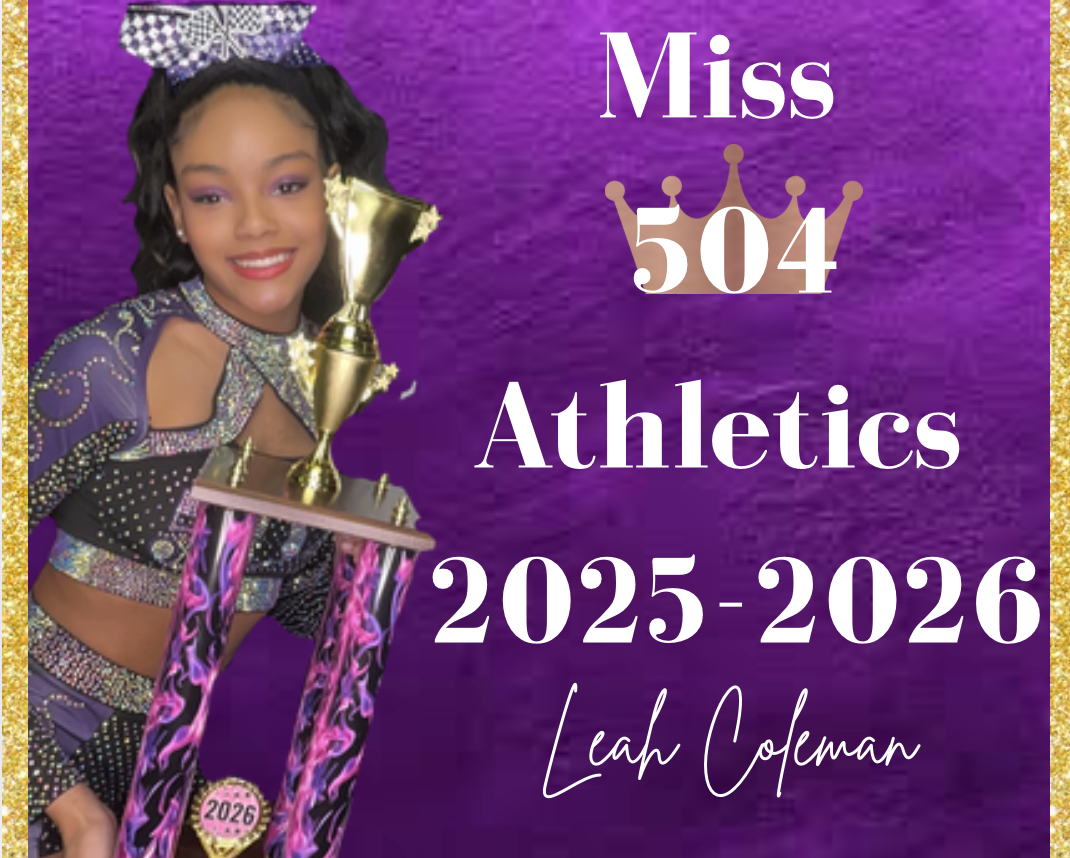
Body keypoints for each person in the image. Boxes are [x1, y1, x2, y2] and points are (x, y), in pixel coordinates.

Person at [28, 5, 389, 856]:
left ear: (336, 191)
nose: (255, 224)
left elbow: (274, 586)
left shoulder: (325, 377)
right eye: (213, 194)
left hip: (156, 776)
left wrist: (368, 562)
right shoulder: (108, 361)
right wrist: (69, 807)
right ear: (176, 210)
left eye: (287, 184)